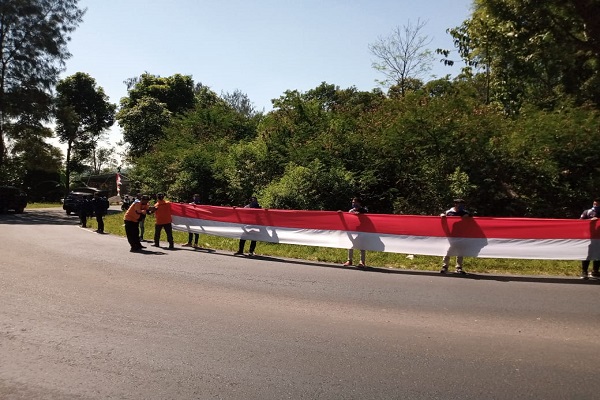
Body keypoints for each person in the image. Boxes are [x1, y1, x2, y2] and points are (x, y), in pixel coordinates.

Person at [440, 198, 471, 274]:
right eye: (459, 205)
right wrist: (442, 215)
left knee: (460, 251)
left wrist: (468, 216)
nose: (461, 206)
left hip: (461, 234)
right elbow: (442, 214)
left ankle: (458, 267)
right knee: (448, 251)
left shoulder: (464, 212)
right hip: (450, 234)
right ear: (455, 204)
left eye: (462, 205)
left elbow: (470, 216)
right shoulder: (449, 212)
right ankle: (445, 266)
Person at [343, 197, 368, 267]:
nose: (353, 204)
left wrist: (360, 215)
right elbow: (347, 219)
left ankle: (362, 262)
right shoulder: (351, 211)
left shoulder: (364, 211)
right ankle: (349, 260)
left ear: (359, 203)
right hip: (353, 231)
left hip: (362, 231)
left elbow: (367, 221)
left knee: (362, 246)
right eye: (353, 202)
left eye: (355, 202)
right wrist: (341, 214)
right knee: (350, 245)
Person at [580, 199, 600, 279]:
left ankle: (595, 272)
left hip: (599, 238)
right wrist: (590, 221)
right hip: (589, 237)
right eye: (594, 204)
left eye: (598, 204)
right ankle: (584, 272)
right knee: (587, 255)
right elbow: (580, 223)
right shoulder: (587, 212)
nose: (595, 206)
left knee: (598, 255)